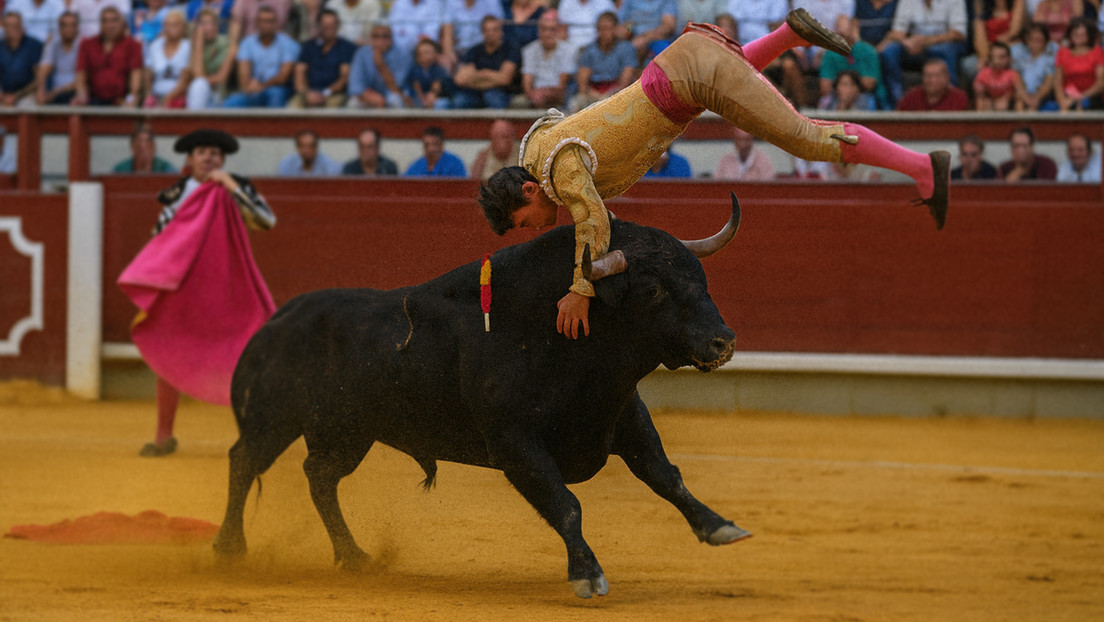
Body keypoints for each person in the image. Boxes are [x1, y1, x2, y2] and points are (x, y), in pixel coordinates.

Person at [478, 13, 951, 339]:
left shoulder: (557, 171)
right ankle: (790, 33)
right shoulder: (537, 148)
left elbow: (592, 220)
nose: (536, 227)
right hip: (685, 72)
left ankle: (923, 167)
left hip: (693, 75)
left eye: (525, 220)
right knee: (731, 90)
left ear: (528, 189)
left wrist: (580, 290)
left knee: (807, 138)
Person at [121, 128, 275, 457]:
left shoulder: (234, 189)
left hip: (226, 289)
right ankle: (164, 436)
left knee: (241, 357)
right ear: (189, 160)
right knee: (170, 354)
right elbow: (160, 241)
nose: (210, 158)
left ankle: (251, 437)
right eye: (203, 152)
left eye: (216, 154)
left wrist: (230, 184)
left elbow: (265, 220)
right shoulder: (176, 195)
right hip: (184, 291)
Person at [879, 0, 968, 106]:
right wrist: (907, 42)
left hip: (942, 43)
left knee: (946, 50)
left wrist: (926, 41)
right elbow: (898, 31)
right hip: (914, 44)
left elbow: (958, 34)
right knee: (890, 51)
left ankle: (951, 103)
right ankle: (898, 103)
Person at [222, 6, 300, 108]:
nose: (267, 25)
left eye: (270, 21)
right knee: (231, 102)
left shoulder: (288, 43)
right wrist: (250, 86)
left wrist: (262, 86)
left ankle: (274, 124)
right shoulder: (247, 43)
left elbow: (283, 77)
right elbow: (243, 78)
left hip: (279, 89)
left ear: (276, 23)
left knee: (274, 93)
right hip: (254, 90)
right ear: (256, 23)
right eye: (263, 21)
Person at [72, 6, 143, 107]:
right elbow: (80, 75)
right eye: (105, 21)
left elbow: (136, 80)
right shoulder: (87, 44)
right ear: (100, 24)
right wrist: (81, 95)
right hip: (93, 100)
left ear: (122, 23)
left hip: (120, 101)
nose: (109, 25)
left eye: (114, 20)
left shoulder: (133, 45)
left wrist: (131, 99)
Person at [571, 11, 639, 112]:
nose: (604, 32)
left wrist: (608, 96)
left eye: (608, 28)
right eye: (601, 28)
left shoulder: (626, 48)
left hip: (616, 93)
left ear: (615, 29)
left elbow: (625, 81)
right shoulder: (588, 50)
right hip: (592, 94)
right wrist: (597, 96)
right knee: (577, 102)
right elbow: (582, 84)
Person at [289, 9, 355, 108]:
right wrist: (307, 94)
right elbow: (299, 74)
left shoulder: (346, 47)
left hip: (333, 94)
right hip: (308, 93)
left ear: (337, 26)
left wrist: (325, 93)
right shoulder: (308, 46)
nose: (328, 29)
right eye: (325, 26)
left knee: (331, 111)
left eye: (331, 25)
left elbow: (344, 77)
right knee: (291, 108)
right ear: (318, 26)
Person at [452, 16, 521, 109]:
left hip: (501, 93)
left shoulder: (510, 50)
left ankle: (500, 122)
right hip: (475, 93)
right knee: (460, 100)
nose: (490, 33)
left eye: (494, 30)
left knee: (491, 96)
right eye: (487, 30)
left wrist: (479, 74)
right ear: (482, 32)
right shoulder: (474, 51)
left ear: (501, 31)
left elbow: (505, 79)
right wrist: (490, 75)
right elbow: (460, 79)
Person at [819, 15, 886, 108]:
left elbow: (870, 84)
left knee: (866, 100)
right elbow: (825, 87)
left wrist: (847, 86)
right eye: (839, 33)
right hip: (837, 96)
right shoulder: (830, 53)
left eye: (844, 34)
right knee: (826, 100)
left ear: (852, 29)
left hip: (863, 95)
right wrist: (843, 88)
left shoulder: (868, 51)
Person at [518, 11, 574, 108]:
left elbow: (562, 85)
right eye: (544, 29)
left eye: (552, 29)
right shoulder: (529, 50)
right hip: (535, 96)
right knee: (518, 102)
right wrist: (532, 95)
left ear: (558, 31)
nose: (548, 34)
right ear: (539, 31)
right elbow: (527, 82)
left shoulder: (569, 50)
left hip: (560, 96)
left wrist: (544, 93)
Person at [347, 23, 411, 108]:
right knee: (353, 103)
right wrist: (369, 95)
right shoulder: (362, 53)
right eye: (376, 36)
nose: (381, 40)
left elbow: (396, 87)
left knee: (395, 100)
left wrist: (380, 64)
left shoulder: (403, 55)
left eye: (385, 36)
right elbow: (355, 85)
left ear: (392, 38)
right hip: (368, 94)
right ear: (371, 38)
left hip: (394, 93)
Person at [186, 8, 236, 109]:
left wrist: (198, 44)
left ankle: (195, 123)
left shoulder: (226, 44)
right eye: (203, 24)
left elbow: (221, 78)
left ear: (217, 26)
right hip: (195, 93)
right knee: (198, 86)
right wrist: (198, 44)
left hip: (220, 94)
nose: (208, 28)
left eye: (211, 23)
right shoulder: (190, 44)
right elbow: (193, 74)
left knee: (199, 85)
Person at [143, 10, 192, 109]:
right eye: (168, 24)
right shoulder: (154, 46)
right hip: (156, 95)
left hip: (179, 96)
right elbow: (148, 75)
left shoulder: (189, 46)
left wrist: (166, 100)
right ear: (163, 27)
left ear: (183, 27)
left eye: (176, 24)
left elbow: (185, 79)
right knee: (148, 105)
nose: (172, 28)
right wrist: (149, 95)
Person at [1053, 18, 1104, 110]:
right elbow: (1058, 81)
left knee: (1082, 105)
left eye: (1082, 34)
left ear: (1089, 35)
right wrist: (1062, 100)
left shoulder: (1097, 52)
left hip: (1092, 96)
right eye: (1075, 34)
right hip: (1068, 95)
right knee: (1053, 107)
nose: (1078, 37)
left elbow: (1101, 82)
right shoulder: (1062, 52)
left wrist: (1081, 97)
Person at [440, 0, 504, 69]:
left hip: (484, 52)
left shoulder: (492, 2)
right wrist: (449, 55)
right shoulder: (452, 2)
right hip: (460, 52)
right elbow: (447, 34)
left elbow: (498, 31)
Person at [34, 10, 79, 105]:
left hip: (75, 92)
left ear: (77, 28)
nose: (68, 29)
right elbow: (43, 70)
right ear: (59, 28)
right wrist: (41, 91)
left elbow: (83, 79)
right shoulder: (53, 43)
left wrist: (56, 92)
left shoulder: (83, 45)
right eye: (65, 25)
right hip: (54, 92)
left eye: (72, 25)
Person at [0, 11, 44, 108]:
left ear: (22, 26)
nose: (13, 29)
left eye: (16, 26)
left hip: (27, 95)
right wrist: (2, 96)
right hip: (3, 96)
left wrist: (16, 96)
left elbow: (39, 79)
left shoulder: (34, 46)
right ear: (4, 28)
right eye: (9, 26)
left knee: (28, 106)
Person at [1012, 21, 1058, 110]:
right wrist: (1025, 97)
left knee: (1034, 105)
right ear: (1026, 40)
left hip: (1043, 92)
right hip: (1022, 92)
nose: (1035, 44)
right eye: (1032, 39)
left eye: (1039, 40)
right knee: (1019, 101)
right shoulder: (1018, 51)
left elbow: (1049, 80)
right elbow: (1015, 77)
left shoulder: (1051, 51)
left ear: (1045, 40)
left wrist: (1037, 97)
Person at [897, 58, 970, 110]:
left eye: (936, 76)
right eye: (927, 76)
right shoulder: (912, 96)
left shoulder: (959, 98)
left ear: (947, 78)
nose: (931, 80)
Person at [973, 41, 1025, 110]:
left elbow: (1021, 95)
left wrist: (1009, 97)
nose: (997, 61)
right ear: (990, 57)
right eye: (994, 57)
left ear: (1009, 59)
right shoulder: (983, 73)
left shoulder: (1013, 74)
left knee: (1003, 104)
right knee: (984, 102)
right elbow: (979, 95)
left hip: (1007, 105)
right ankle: (981, 120)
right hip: (989, 102)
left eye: (1002, 57)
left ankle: (1020, 120)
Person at [713, 127, 777, 180]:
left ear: (751, 140)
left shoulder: (763, 161)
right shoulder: (725, 161)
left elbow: (768, 190)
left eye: (746, 140)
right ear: (735, 141)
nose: (743, 145)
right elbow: (717, 187)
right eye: (740, 139)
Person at [404, 39, 451, 109]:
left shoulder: (438, 69)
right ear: (417, 56)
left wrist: (432, 95)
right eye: (424, 53)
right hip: (417, 97)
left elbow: (437, 85)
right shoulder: (415, 70)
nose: (427, 56)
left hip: (434, 97)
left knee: (442, 103)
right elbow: (416, 86)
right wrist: (423, 99)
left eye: (430, 52)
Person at [113, 126, 178, 173]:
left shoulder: (166, 169)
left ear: (153, 147)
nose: (143, 153)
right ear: (132, 147)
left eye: (147, 147)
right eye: (139, 148)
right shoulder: (121, 170)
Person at [277, 129, 341, 176]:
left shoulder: (328, 165)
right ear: (297, 147)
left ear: (316, 147)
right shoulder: (287, 164)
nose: (307, 150)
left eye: (310, 146)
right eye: (303, 146)